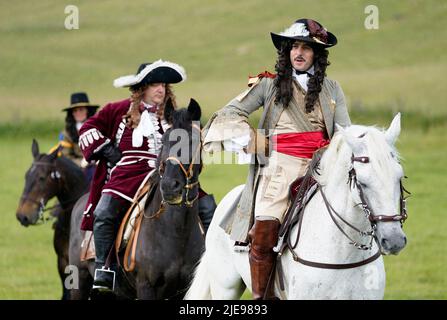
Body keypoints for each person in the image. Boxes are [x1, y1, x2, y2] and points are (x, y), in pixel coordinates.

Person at [202, 19, 351, 299]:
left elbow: (345, 132)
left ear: (317, 54)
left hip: (322, 167)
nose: (299, 52)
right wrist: (250, 139)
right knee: (263, 235)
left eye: (307, 48)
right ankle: (262, 297)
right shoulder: (267, 85)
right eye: (294, 46)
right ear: (287, 52)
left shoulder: (333, 90)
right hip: (278, 169)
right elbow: (228, 114)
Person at [78, 60, 216, 293]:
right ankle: (104, 269)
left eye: (163, 84)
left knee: (208, 206)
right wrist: (107, 149)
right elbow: (88, 129)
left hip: (168, 173)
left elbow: (190, 141)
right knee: (104, 211)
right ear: (142, 87)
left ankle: (213, 263)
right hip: (128, 174)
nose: (160, 89)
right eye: (154, 84)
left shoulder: (174, 114)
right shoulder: (117, 109)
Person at [56, 92, 99, 182]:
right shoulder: (66, 134)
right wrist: (82, 162)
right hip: (79, 169)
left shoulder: (99, 126)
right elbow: (66, 156)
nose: (78, 113)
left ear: (87, 110)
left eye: (81, 109)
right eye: (75, 111)